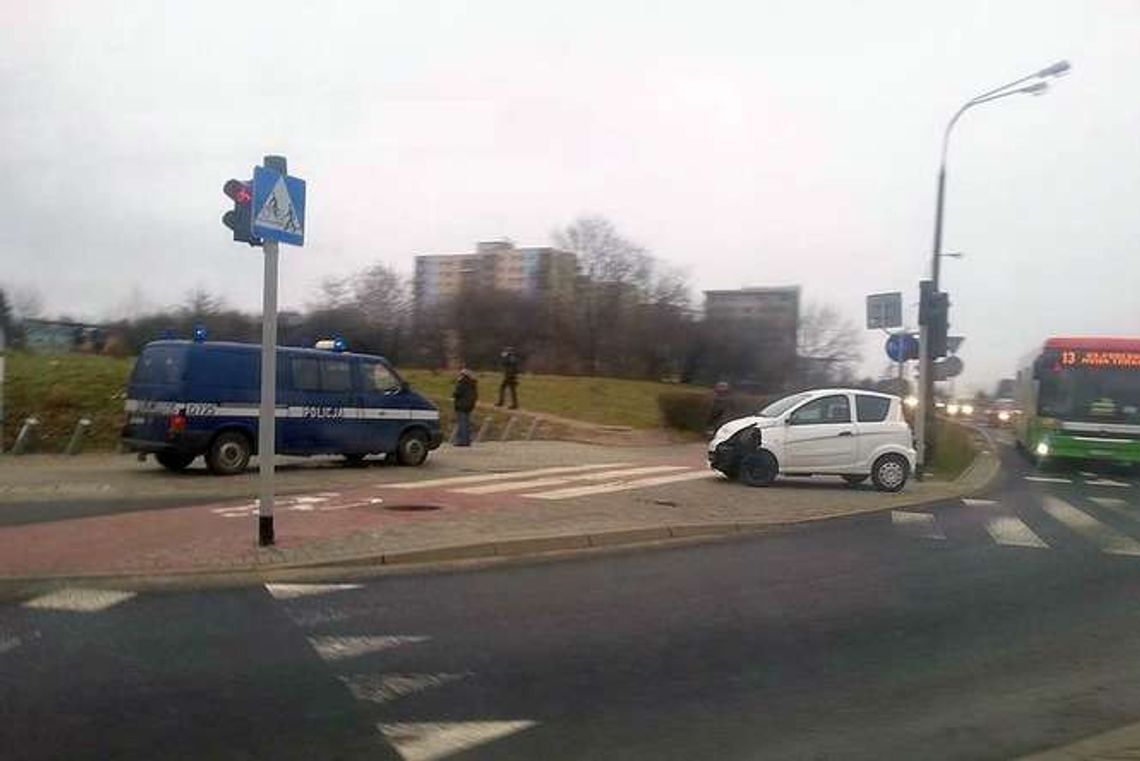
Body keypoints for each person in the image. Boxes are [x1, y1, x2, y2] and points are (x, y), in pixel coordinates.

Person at [452, 368, 478, 446]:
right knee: (466, 423)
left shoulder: (462, 383)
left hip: (461, 405)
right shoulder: (472, 384)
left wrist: (458, 382)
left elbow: (456, 393)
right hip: (469, 406)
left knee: (462, 424)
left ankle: (462, 441)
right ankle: (467, 440)